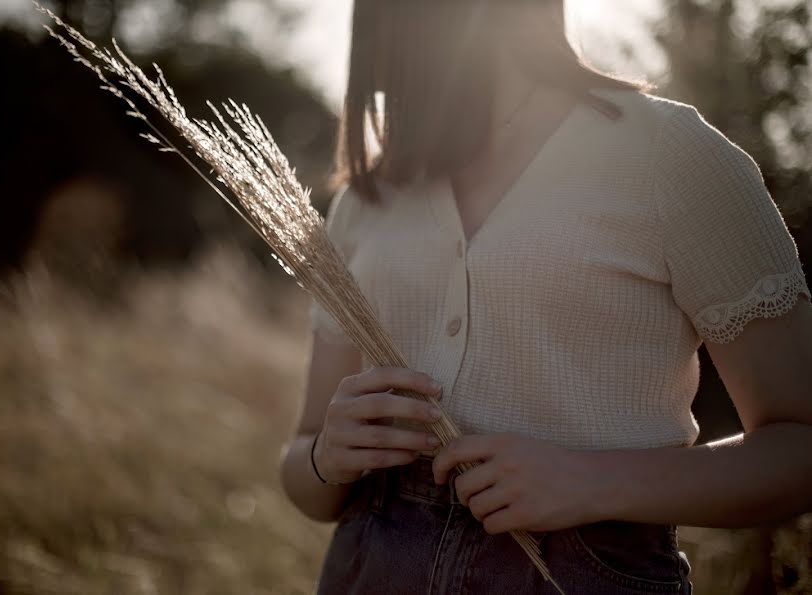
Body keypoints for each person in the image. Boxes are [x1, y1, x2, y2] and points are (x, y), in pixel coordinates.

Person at [279, 1, 812, 593]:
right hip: (369, 566)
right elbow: (303, 473)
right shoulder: (365, 200)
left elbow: (799, 443)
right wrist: (328, 455)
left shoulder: (670, 153)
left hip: (586, 571)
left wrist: (592, 481)